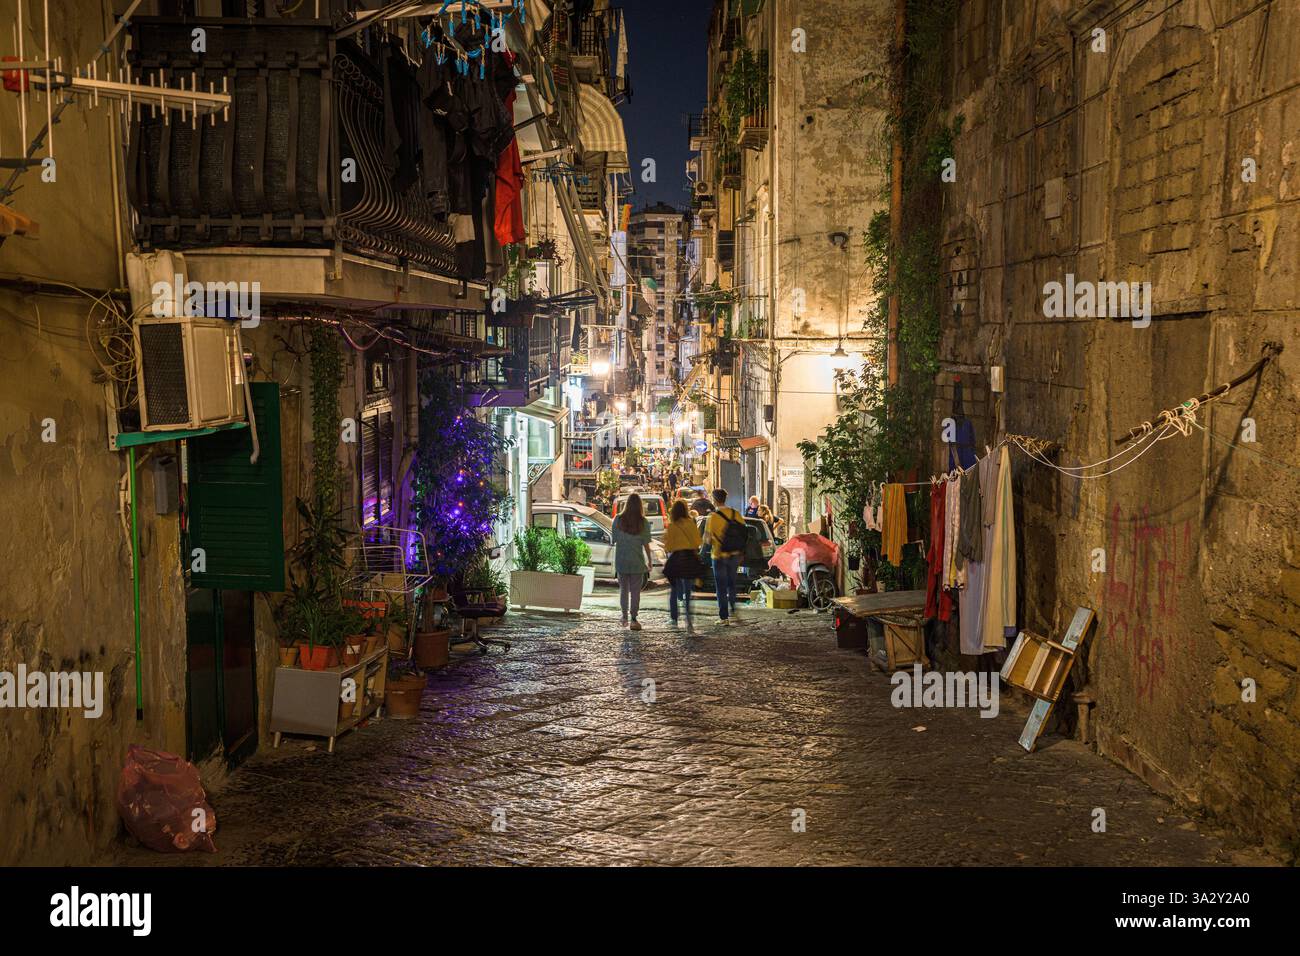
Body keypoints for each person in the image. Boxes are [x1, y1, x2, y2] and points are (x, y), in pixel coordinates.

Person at [704, 488, 747, 626]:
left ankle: (724, 617)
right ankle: (733, 609)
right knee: (731, 584)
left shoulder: (712, 517)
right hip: (734, 555)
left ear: (714, 500)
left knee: (721, 587)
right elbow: (744, 533)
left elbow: (708, 540)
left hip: (718, 555)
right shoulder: (735, 514)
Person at [612, 493, 653, 630]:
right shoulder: (643, 522)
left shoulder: (617, 520)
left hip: (622, 560)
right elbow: (646, 544)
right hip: (637, 561)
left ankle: (624, 617)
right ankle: (634, 618)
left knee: (623, 590)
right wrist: (650, 561)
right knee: (635, 592)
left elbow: (614, 540)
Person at [662, 500, 703, 635]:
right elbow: (698, 542)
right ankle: (689, 621)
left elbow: (668, 546)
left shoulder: (673, 526)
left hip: (677, 559)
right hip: (690, 559)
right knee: (688, 592)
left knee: (674, 590)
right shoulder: (691, 524)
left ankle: (674, 618)